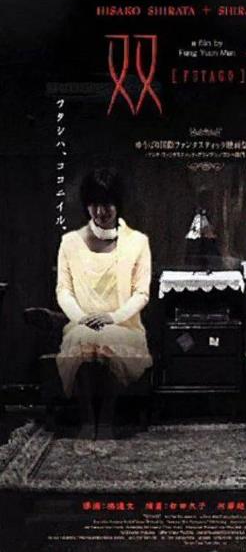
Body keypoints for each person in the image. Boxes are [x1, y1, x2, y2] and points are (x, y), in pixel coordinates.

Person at [56, 168, 152, 455]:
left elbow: (141, 293)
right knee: (85, 340)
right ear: (87, 205)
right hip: (81, 326)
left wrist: (112, 317)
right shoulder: (70, 242)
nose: (101, 212)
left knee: (106, 340)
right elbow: (63, 291)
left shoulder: (137, 242)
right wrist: (81, 318)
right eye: (95, 204)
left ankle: (107, 422)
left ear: (118, 205)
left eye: (107, 204)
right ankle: (88, 422)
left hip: (124, 327)